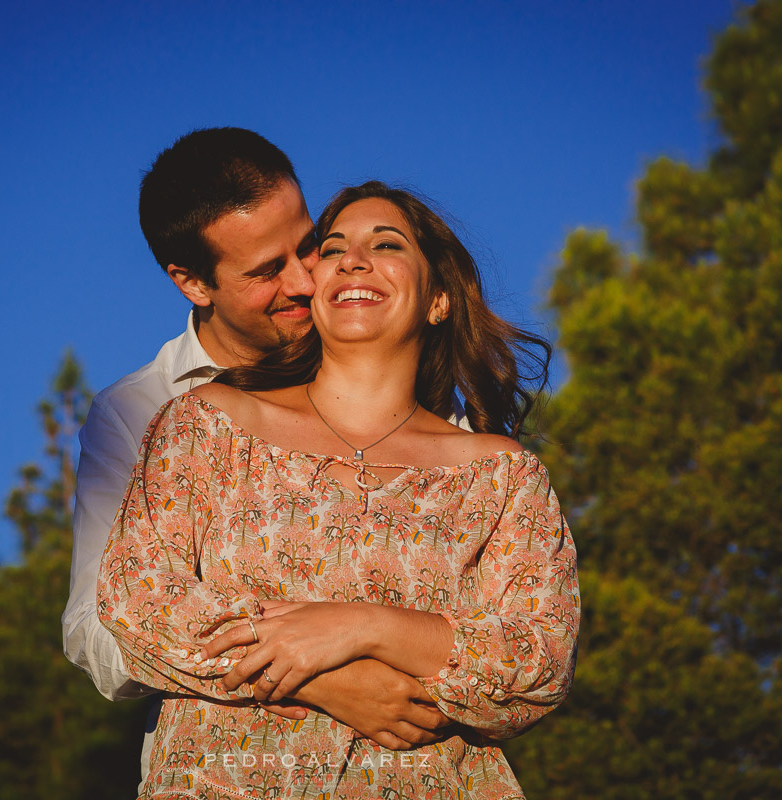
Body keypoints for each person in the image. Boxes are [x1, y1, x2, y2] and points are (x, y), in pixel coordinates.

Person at [99, 181, 580, 799]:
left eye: (387, 244)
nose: (354, 260)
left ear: (437, 299)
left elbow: (534, 662)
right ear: (314, 289)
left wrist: (362, 627)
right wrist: (329, 677)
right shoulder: (206, 424)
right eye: (331, 250)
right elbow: (136, 602)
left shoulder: (503, 476)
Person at [64, 130, 458, 770]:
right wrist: (314, 675)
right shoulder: (138, 413)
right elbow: (99, 635)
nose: (305, 281)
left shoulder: (403, 380)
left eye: (308, 246)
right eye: (267, 271)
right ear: (193, 284)